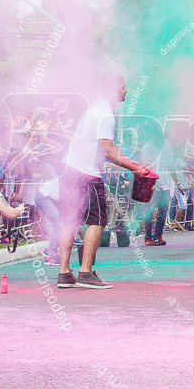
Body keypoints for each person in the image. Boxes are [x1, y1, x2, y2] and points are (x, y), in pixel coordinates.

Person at [56, 74, 150, 289]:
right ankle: (86, 273)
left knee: (70, 220)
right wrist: (136, 168)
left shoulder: (95, 108)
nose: (126, 91)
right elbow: (107, 150)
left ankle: (64, 273)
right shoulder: (104, 113)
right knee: (97, 221)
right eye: (123, 87)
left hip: (69, 169)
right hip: (86, 174)